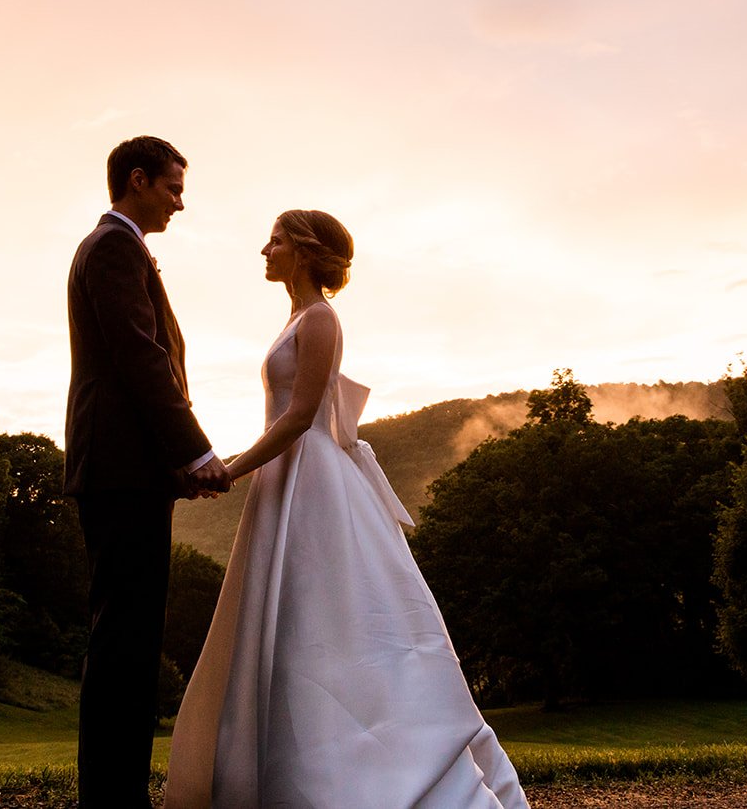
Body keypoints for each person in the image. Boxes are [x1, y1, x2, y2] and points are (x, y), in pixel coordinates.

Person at [165, 210, 529, 809]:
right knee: (286, 623)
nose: (265, 248)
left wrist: (229, 469)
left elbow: (301, 417)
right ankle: (286, 770)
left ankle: (354, 771)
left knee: (322, 619)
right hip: (285, 482)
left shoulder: (322, 318)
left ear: (304, 251)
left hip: (310, 482)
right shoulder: (296, 318)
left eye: (276, 240)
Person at [65, 135, 232, 809]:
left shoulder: (118, 248)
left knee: (128, 636)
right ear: (137, 180)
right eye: (173, 188)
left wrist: (173, 459)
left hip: (130, 467)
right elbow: (140, 357)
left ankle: (116, 793)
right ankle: (113, 798)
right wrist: (192, 450)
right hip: (120, 469)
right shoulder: (112, 247)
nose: (180, 203)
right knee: (124, 640)